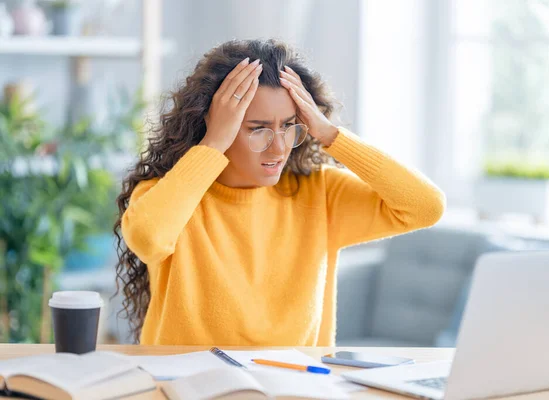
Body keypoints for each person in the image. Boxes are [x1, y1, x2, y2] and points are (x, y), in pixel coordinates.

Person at [115, 38, 446, 346]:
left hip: (297, 386)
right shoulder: (170, 196)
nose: (278, 148)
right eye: (258, 129)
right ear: (217, 124)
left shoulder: (322, 193)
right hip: (191, 387)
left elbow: (425, 206)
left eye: (288, 125)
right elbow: (147, 237)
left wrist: (331, 135)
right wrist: (213, 143)